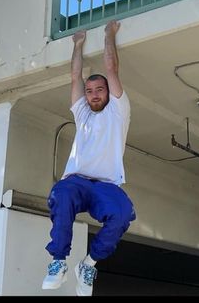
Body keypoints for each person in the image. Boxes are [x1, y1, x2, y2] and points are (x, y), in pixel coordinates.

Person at [42, 20, 136, 296]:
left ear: (109, 92)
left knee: (121, 214)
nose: (94, 95)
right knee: (61, 194)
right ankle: (58, 261)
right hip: (77, 182)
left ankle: (88, 264)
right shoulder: (81, 112)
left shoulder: (118, 111)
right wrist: (77, 44)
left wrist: (109, 34)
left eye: (99, 90)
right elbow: (75, 77)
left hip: (106, 186)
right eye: (90, 91)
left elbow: (111, 67)